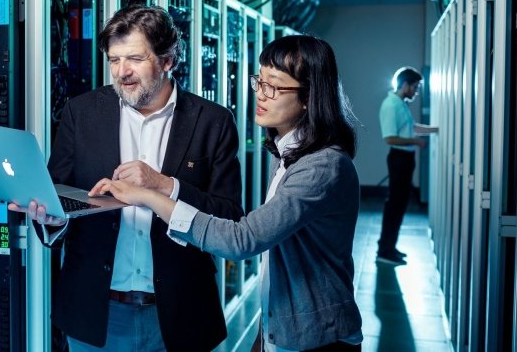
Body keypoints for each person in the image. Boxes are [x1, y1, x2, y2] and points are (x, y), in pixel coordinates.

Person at [91, 35, 364, 351]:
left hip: (318, 337)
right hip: (283, 328)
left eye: (273, 87)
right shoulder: (288, 155)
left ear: (308, 97)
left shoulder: (321, 167)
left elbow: (242, 239)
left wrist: (150, 196)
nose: (260, 95)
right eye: (259, 82)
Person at [12, 4, 244, 352]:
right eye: (114, 60)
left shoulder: (212, 121)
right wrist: (50, 219)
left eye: (135, 58)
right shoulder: (82, 112)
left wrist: (165, 186)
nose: (122, 72)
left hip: (180, 315)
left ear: (167, 61)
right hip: (97, 312)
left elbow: (228, 216)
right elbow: (57, 191)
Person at [376, 67, 438, 266]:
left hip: (405, 159)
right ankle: (384, 250)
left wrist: (437, 129)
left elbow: (412, 128)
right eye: (415, 87)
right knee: (394, 205)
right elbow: (390, 138)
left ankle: (390, 247)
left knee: (399, 205)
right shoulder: (391, 105)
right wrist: (416, 142)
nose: (416, 92)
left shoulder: (401, 104)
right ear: (405, 85)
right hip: (399, 158)